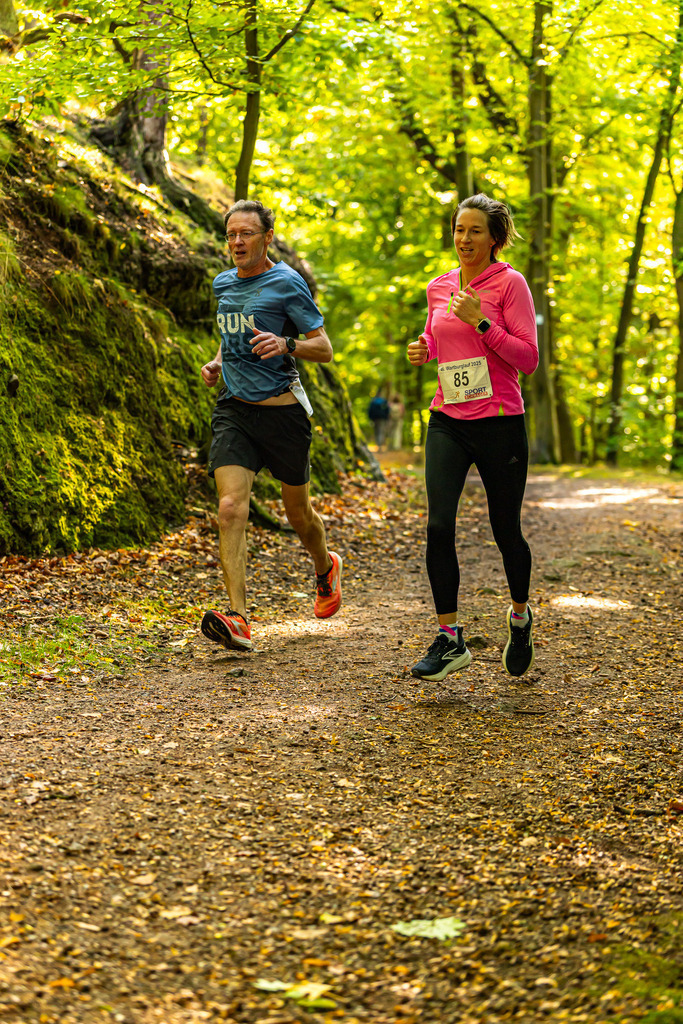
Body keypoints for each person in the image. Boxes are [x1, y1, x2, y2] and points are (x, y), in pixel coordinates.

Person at [199, 199, 342, 652]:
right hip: (234, 410)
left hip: (283, 414)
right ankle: (239, 618)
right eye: (231, 235)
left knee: (298, 514)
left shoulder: (286, 282)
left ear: (267, 237)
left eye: (246, 233)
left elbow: (324, 348)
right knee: (229, 508)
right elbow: (230, 337)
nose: (237, 242)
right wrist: (218, 362)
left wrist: (286, 343)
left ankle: (325, 566)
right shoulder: (223, 283)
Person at [407, 194, 538, 681]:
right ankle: (449, 639)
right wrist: (424, 349)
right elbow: (437, 340)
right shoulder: (438, 286)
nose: (464, 239)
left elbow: (528, 358)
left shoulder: (510, 284)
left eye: (475, 230)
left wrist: (481, 322)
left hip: (500, 422)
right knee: (439, 525)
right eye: (459, 229)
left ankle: (520, 617)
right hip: (448, 419)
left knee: (506, 531)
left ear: (494, 238)